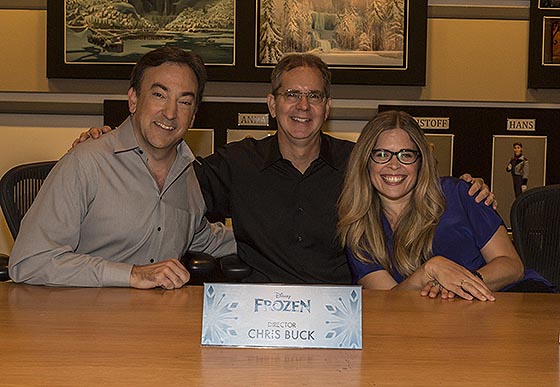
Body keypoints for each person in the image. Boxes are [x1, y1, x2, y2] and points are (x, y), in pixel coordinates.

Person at [73, 54, 494, 284]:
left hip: (345, 313)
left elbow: (408, 179)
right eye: (291, 94)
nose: (303, 106)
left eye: (313, 96)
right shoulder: (236, 162)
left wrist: (470, 187)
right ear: (272, 104)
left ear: (327, 108)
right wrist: (113, 140)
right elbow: (163, 182)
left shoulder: (357, 163)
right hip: (256, 312)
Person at [8, 47, 236, 289]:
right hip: (80, 318)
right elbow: (28, 262)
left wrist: (271, 232)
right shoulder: (86, 162)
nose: (170, 113)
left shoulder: (188, 173)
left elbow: (202, 236)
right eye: (159, 95)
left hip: (155, 318)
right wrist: (132, 274)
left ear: (193, 116)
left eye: (184, 101)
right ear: (133, 100)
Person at [338, 111, 554, 301]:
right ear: (366, 161)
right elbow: (388, 303)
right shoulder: (360, 231)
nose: (394, 165)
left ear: (421, 162)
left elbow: (512, 266)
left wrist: (460, 284)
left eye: (406, 155)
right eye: (382, 154)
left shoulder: (461, 193)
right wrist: (430, 270)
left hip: (510, 305)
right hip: (437, 328)